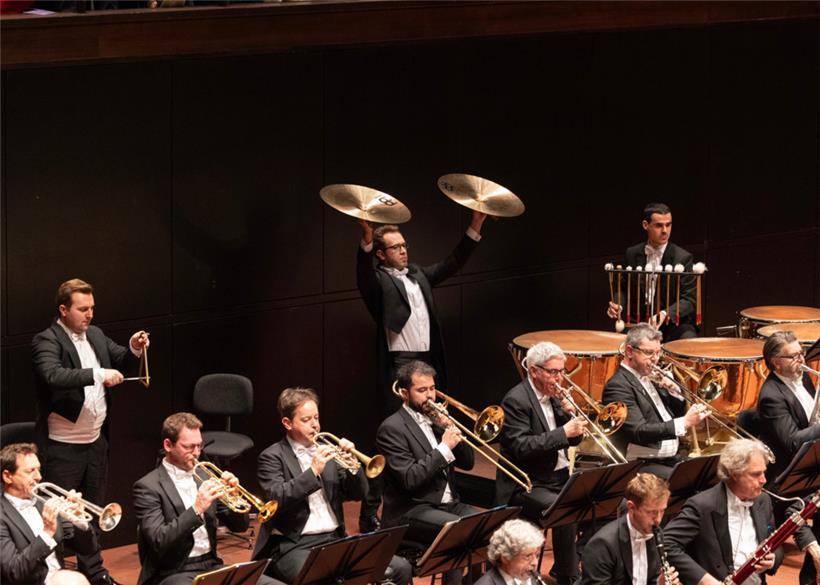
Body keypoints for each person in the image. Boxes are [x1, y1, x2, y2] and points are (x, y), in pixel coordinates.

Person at [356, 210, 486, 532]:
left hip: (426, 363)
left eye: (405, 244)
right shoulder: (379, 280)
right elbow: (362, 277)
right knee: (392, 440)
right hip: (399, 366)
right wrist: (367, 242)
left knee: (433, 430)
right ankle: (371, 512)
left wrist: (475, 226)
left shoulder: (418, 275)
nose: (404, 250)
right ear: (382, 254)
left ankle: (442, 497)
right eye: (396, 247)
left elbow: (452, 263)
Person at [252, 387, 412, 585]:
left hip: (335, 539)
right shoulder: (272, 457)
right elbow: (277, 498)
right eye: (306, 420)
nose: (315, 425)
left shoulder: (328, 450)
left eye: (316, 418)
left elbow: (358, 493)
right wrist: (313, 472)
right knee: (327, 579)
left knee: (401, 568)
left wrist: (353, 465)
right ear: (287, 423)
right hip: (295, 546)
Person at [32, 278, 150, 507]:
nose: (90, 314)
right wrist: (98, 374)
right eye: (83, 309)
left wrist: (135, 347)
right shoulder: (47, 339)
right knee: (63, 517)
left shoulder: (95, 334)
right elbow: (53, 375)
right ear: (63, 310)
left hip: (96, 443)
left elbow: (121, 360)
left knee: (95, 511)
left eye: (92, 308)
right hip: (63, 448)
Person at [132, 413, 280, 585]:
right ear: (168, 445)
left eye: (199, 446)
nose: (196, 453)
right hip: (172, 572)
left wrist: (234, 497)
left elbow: (239, 527)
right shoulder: (148, 487)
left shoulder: (207, 476)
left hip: (210, 565)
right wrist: (196, 509)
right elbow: (159, 540)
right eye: (189, 447)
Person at [376, 360, 477, 585]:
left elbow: (468, 463)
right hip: (411, 508)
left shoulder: (437, 421)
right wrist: (444, 448)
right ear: (404, 393)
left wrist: (451, 429)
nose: (430, 396)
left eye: (432, 388)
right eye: (422, 390)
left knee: (483, 526)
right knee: (458, 530)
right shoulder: (392, 429)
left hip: (447, 504)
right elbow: (410, 479)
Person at [496, 341, 586, 585]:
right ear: (534, 370)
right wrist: (563, 432)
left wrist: (570, 419)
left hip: (557, 479)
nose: (559, 378)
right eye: (553, 372)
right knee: (566, 509)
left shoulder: (553, 396)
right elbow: (521, 447)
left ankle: (570, 565)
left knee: (601, 502)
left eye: (561, 372)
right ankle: (570, 577)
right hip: (527, 484)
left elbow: (572, 438)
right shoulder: (516, 400)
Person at [663, 438, 792, 585]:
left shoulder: (763, 500)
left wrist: (773, 558)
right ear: (734, 473)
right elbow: (667, 543)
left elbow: (775, 542)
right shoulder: (703, 505)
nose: (763, 480)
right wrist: (704, 580)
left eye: (764, 473)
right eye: (756, 474)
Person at [601, 324, 709, 479]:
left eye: (658, 353)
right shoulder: (618, 386)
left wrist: (674, 392)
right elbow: (639, 431)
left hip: (668, 459)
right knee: (689, 481)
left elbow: (674, 414)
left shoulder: (649, 376)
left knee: (708, 472)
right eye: (649, 353)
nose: (655, 359)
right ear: (630, 351)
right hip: (639, 464)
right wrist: (683, 423)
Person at [756, 331, 820, 584]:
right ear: (775, 362)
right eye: (793, 356)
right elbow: (793, 442)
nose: (801, 360)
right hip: (789, 473)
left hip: (811, 459)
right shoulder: (771, 395)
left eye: (801, 353)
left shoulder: (803, 378)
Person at [0, 442, 107, 585]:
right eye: (30, 471)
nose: (38, 476)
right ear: (8, 476)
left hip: (59, 576)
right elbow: (14, 571)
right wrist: (47, 533)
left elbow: (87, 549)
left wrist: (79, 520)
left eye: (38, 469)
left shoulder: (45, 502)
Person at [606, 203, 697, 341]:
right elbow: (624, 288)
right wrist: (618, 304)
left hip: (674, 325)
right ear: (645, 225)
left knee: (688, 341)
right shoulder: (632, 253)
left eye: (668, 224)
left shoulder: (683, 258)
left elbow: (689, 300)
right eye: (659, 225)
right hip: (641, 323)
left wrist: (665, 314)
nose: (665, 230)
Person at [581, 473, 681, 585]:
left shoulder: (656, 534)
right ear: (631, 507)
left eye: (662, 511)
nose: (658, 520)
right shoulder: (602, 545)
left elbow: (650, 579)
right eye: (651, 512)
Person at [474, 519, 545, 585]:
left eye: (537, 555)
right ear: (506, 558)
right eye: (527, 556)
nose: (535, 563)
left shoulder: (531, 576)